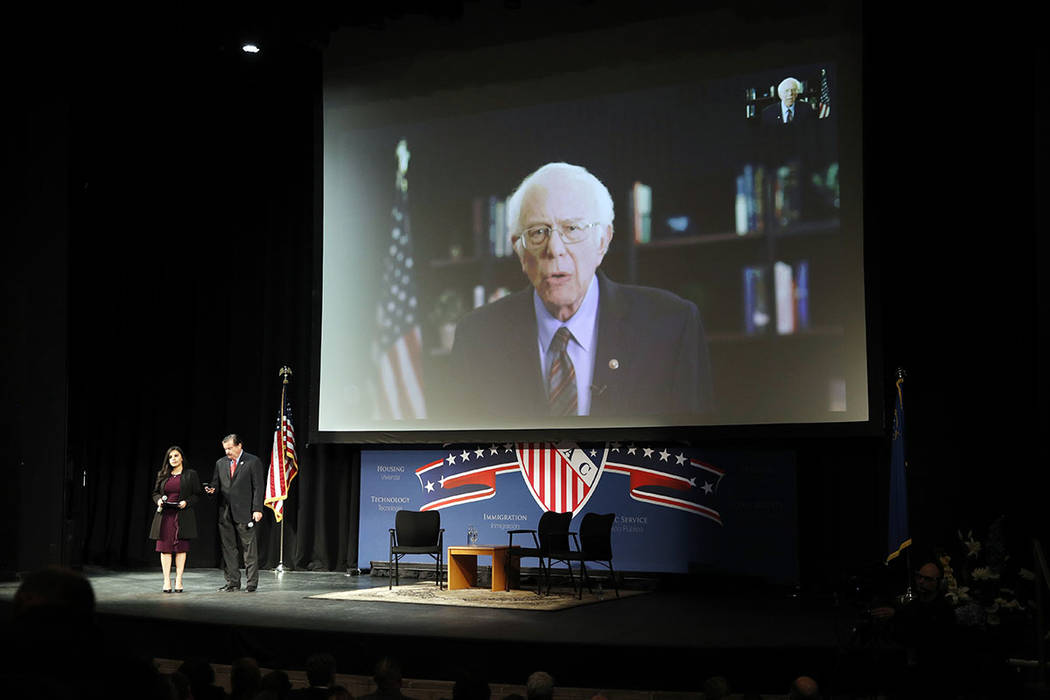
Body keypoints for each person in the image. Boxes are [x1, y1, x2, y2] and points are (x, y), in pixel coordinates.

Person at [447, 162, 713, 420]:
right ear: (520, 250)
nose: (555, 249)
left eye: (571, 229)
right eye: (538, 232)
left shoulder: (672, 325)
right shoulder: (477, 338)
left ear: (603, 241)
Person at [206, 433, 265, 592]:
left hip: (245, 512)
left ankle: (251, 583)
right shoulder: (221, 463)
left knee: (249, 549)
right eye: (225, 449)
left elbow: (258, 487)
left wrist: (257, 509)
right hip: (225, 512)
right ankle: (233, 582)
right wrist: (212, 489)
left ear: (239, 445)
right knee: (228, 549)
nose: (227, 452)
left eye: (230, 448)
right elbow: (216, 483)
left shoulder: (253, 461)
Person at [148, 445, 202, 593]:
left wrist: (186, 502)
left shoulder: (190, 474)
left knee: (180, 549)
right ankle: (166, 581)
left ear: (182, 457)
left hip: (182, 515)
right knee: (164, 549)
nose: (173, 459)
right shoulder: (163, 474)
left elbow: (197, 494)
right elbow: (155, 493)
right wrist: (158, 500)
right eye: (170, 457)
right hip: (165, 516)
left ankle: (178, 580)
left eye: (176, 456)